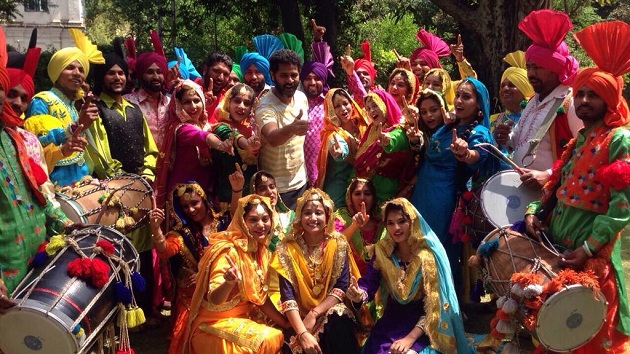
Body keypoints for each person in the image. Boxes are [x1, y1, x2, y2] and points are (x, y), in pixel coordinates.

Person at [523, 20, 630, 353]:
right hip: (558, 248)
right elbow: (556, 187)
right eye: (580, 93)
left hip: (590, 257)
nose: (583, 99)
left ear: (609, 99)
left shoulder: (619, 140)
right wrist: (536, 212)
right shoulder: (580, 140)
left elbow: (621, 207)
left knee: (591, 335)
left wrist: (587, 248)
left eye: (592, 94)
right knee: (555, 330)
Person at [347, 198, 471, 354]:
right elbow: (369, 283)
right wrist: (359, 295)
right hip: (390, 325)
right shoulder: (382, 252)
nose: (396, 228)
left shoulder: (427, 257)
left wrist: (410, 339)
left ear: (412, 222)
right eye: (390, 223)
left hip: (425, 329)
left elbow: (434, 306)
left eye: (401, 221)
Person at [0, 38, 69, 301]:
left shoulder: (16, 139)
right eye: (10, 94)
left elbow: (39, 191)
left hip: (36, 252)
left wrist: (65, 224)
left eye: (23, 97)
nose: (17, 103)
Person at [410, 78, 498, 282]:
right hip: (422, 194)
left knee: (437, 250)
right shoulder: (450, 125)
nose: (458, 100)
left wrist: (465, 153)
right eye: (457, 95)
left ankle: (444, 306)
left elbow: (478, 155)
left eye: (466, 97)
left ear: (479, 104)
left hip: (443, 200)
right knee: (416, 245)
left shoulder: (478, 132)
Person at [183, 194, 289, 354]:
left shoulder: (260, 249)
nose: (261, 225)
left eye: (265, 219)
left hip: (243, 319)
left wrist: (285, 322)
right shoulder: (229, 251)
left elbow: (260, 297)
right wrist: (228, 283)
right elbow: (215, 299)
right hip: (212, 325)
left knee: (284, 330)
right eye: (253, 220)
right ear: (242, 222)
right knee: (270, 337)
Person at [494, 9, 581, 190]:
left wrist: (549, 175)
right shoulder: (533, 100)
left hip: (552, 196)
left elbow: (584, 153)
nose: (531, 74)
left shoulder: (570, 102)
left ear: (555, 68)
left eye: (538, 68)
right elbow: (520, 140)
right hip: (523, 192)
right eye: (529, 67)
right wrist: (507, 138)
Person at [271, 188, 360, 354]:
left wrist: (314, 313)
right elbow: (287, 295)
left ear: (327, 217)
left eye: (318, 213)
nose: (313, 218)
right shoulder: (286, 249)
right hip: (298, 318)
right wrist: (303, 333)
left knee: (338, 316)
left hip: (328, 311)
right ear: (299, 216)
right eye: (307, 213)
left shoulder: (338, 244)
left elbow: (341, 286)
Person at [23, 29, 102, 186]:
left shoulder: (73, 106)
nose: (77, 73)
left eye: (81, 70)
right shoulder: (42, 100)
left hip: (81, 179)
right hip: (54, 183)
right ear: (57, 72)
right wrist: (72, 128)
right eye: (70, 67)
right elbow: (36, 144)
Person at [149, 182, 221, 354]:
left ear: (204, 200)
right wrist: (155, 227)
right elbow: (165, 250)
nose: (191, 209)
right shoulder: (182, 233)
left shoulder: (224, 221)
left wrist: (205, 276)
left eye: (194, 203)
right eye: (185, 206)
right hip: (193, 294)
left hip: (223, 286)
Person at [153, 79, 231, 209]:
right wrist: (221, 145)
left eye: (197, 100)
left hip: (203, 190)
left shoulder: (203, 124)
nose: (193, 106)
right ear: (178, 105)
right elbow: (202, 137)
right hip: (183, 195)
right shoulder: (181, 128)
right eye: (187, 102)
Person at [255, 49, 309, 209]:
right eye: (283, 75)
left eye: (294, 75)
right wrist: (291, 128)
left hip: (301, 182)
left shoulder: (301, 98)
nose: (290, 80)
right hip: (274, 188)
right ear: (272, 75)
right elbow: (272, 137)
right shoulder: (265, 106)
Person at [354, 90, 411, 204]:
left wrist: (388, 141)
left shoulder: (399, 129)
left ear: (385, 105)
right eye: (368, 108)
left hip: (385, 193)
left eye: (375, 105)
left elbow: (397, 138)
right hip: (364, 192)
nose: (371, 111)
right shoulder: (371, 130)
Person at [316, 88, 369, 207]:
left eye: (345, 103)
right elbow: (340, 150)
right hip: (338, 190)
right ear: (331, 110)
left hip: (361, 189)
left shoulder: (362, 126)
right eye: (337, 106)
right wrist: (340, 154)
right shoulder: (331, 134)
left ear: (352, 103)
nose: (343, 109)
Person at [212, 83, 260, 214]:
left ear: (251, 108)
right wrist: (248, 145)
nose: (241, 106)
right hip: (227, 200)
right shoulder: (220, 127)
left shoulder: (252, 130)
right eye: (237, 101)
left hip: (251, 200)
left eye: (246, 103)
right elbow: (235, 137)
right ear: (228, 102)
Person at [334, 178, 383, 275]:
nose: (362, 198)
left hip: (375, 277)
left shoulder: (382, 223)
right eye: (357, 194)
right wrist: (354, 226)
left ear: (373, 199)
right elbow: (335, 244)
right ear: (350, 198)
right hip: (346, 275)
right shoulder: (341, 219)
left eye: (367, 194)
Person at [124, 49, 170, 150]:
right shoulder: (127, 102)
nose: (156, 77)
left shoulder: (171, 103)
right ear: (141, 75)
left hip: (169, 164)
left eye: (159, 72)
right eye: (150, 72)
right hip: (141, 164)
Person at [340, 41, 375, 107]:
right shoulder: (348, 101)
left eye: (365, 74)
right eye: (358, 74)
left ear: (372, 77)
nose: (362, 76)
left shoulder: (380, 97)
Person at [200, 52, 232, 123]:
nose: (221, 78)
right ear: (205, 69)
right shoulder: (187, 90)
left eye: (226, 74)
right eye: (216, 71)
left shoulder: (227, 100)